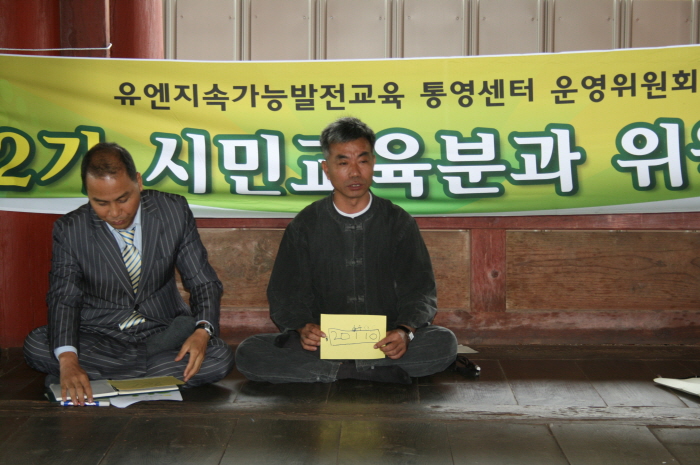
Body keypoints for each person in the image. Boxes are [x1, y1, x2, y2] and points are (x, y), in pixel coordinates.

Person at [235, 117, 459, 384]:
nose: (354, 173)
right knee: (249, 352)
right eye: (343, 163)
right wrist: (302, 327)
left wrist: (404, 331)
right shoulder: (306, 224)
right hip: (323, 343)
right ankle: (360, 371)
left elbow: (420, 290)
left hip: (383, 341)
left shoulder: (397, 221)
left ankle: (334, 371)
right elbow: (285, 293)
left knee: (444, 342)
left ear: (373, 163)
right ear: (326, 169)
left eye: (362, 161)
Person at [24, 142, 235, 404]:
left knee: (220, 356)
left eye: (123, 199)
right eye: (101, 203)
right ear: (87, 193)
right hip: (100, 335)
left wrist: (202, 331)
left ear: (138, 182)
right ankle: (143, 377)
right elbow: (64, 298)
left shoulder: (173, 211)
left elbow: (203, 282)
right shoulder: (70, 229)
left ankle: (92, 378)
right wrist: (68, 360)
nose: (115, 213)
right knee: (37, 344)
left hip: (161, 332)